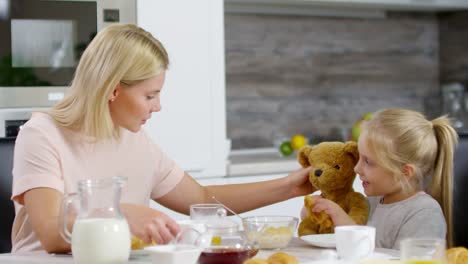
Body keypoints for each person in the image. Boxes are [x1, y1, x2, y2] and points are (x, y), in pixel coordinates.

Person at [10, 24, 314, 253]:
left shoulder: (134, 138)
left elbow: (200, 199)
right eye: (150, 95)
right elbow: (50, 232)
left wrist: (289, 187)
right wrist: (121, 214)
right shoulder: (42, 134)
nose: (158, 106)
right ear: (113, 90)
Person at [305, 108, 458, 249]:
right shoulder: (372, 202)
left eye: (368, 162)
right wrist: (320, 216)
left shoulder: (424, 214)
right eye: (359, 158)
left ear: (404, 172)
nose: (356, 169)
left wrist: (342, 220)